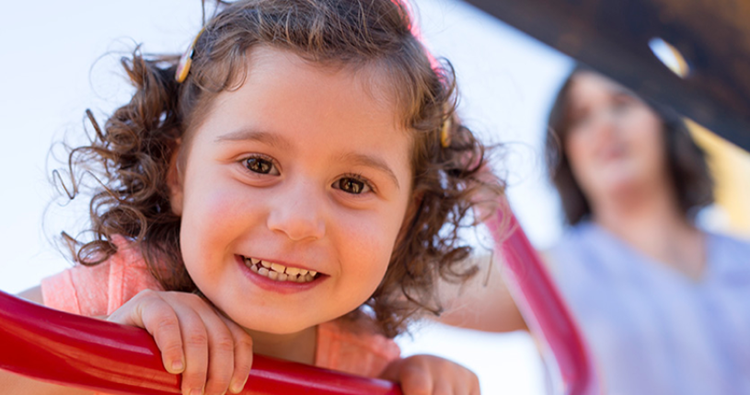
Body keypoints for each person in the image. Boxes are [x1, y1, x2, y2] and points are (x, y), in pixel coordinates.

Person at [0, 1, 504, 394]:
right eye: (259, 165)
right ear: (178, 173)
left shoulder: (365, 365)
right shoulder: (120, 295)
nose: (298, 221)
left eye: (352, 185)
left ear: (404, 220)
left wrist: (415, 382)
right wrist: (100, 356)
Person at [438, 68, 750, 394]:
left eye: (622, 103)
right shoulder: (551, 271)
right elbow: (417, 285)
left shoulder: (743, 256)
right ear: (567, 149)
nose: (604, 126)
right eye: (581, 117)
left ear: (664, 119)